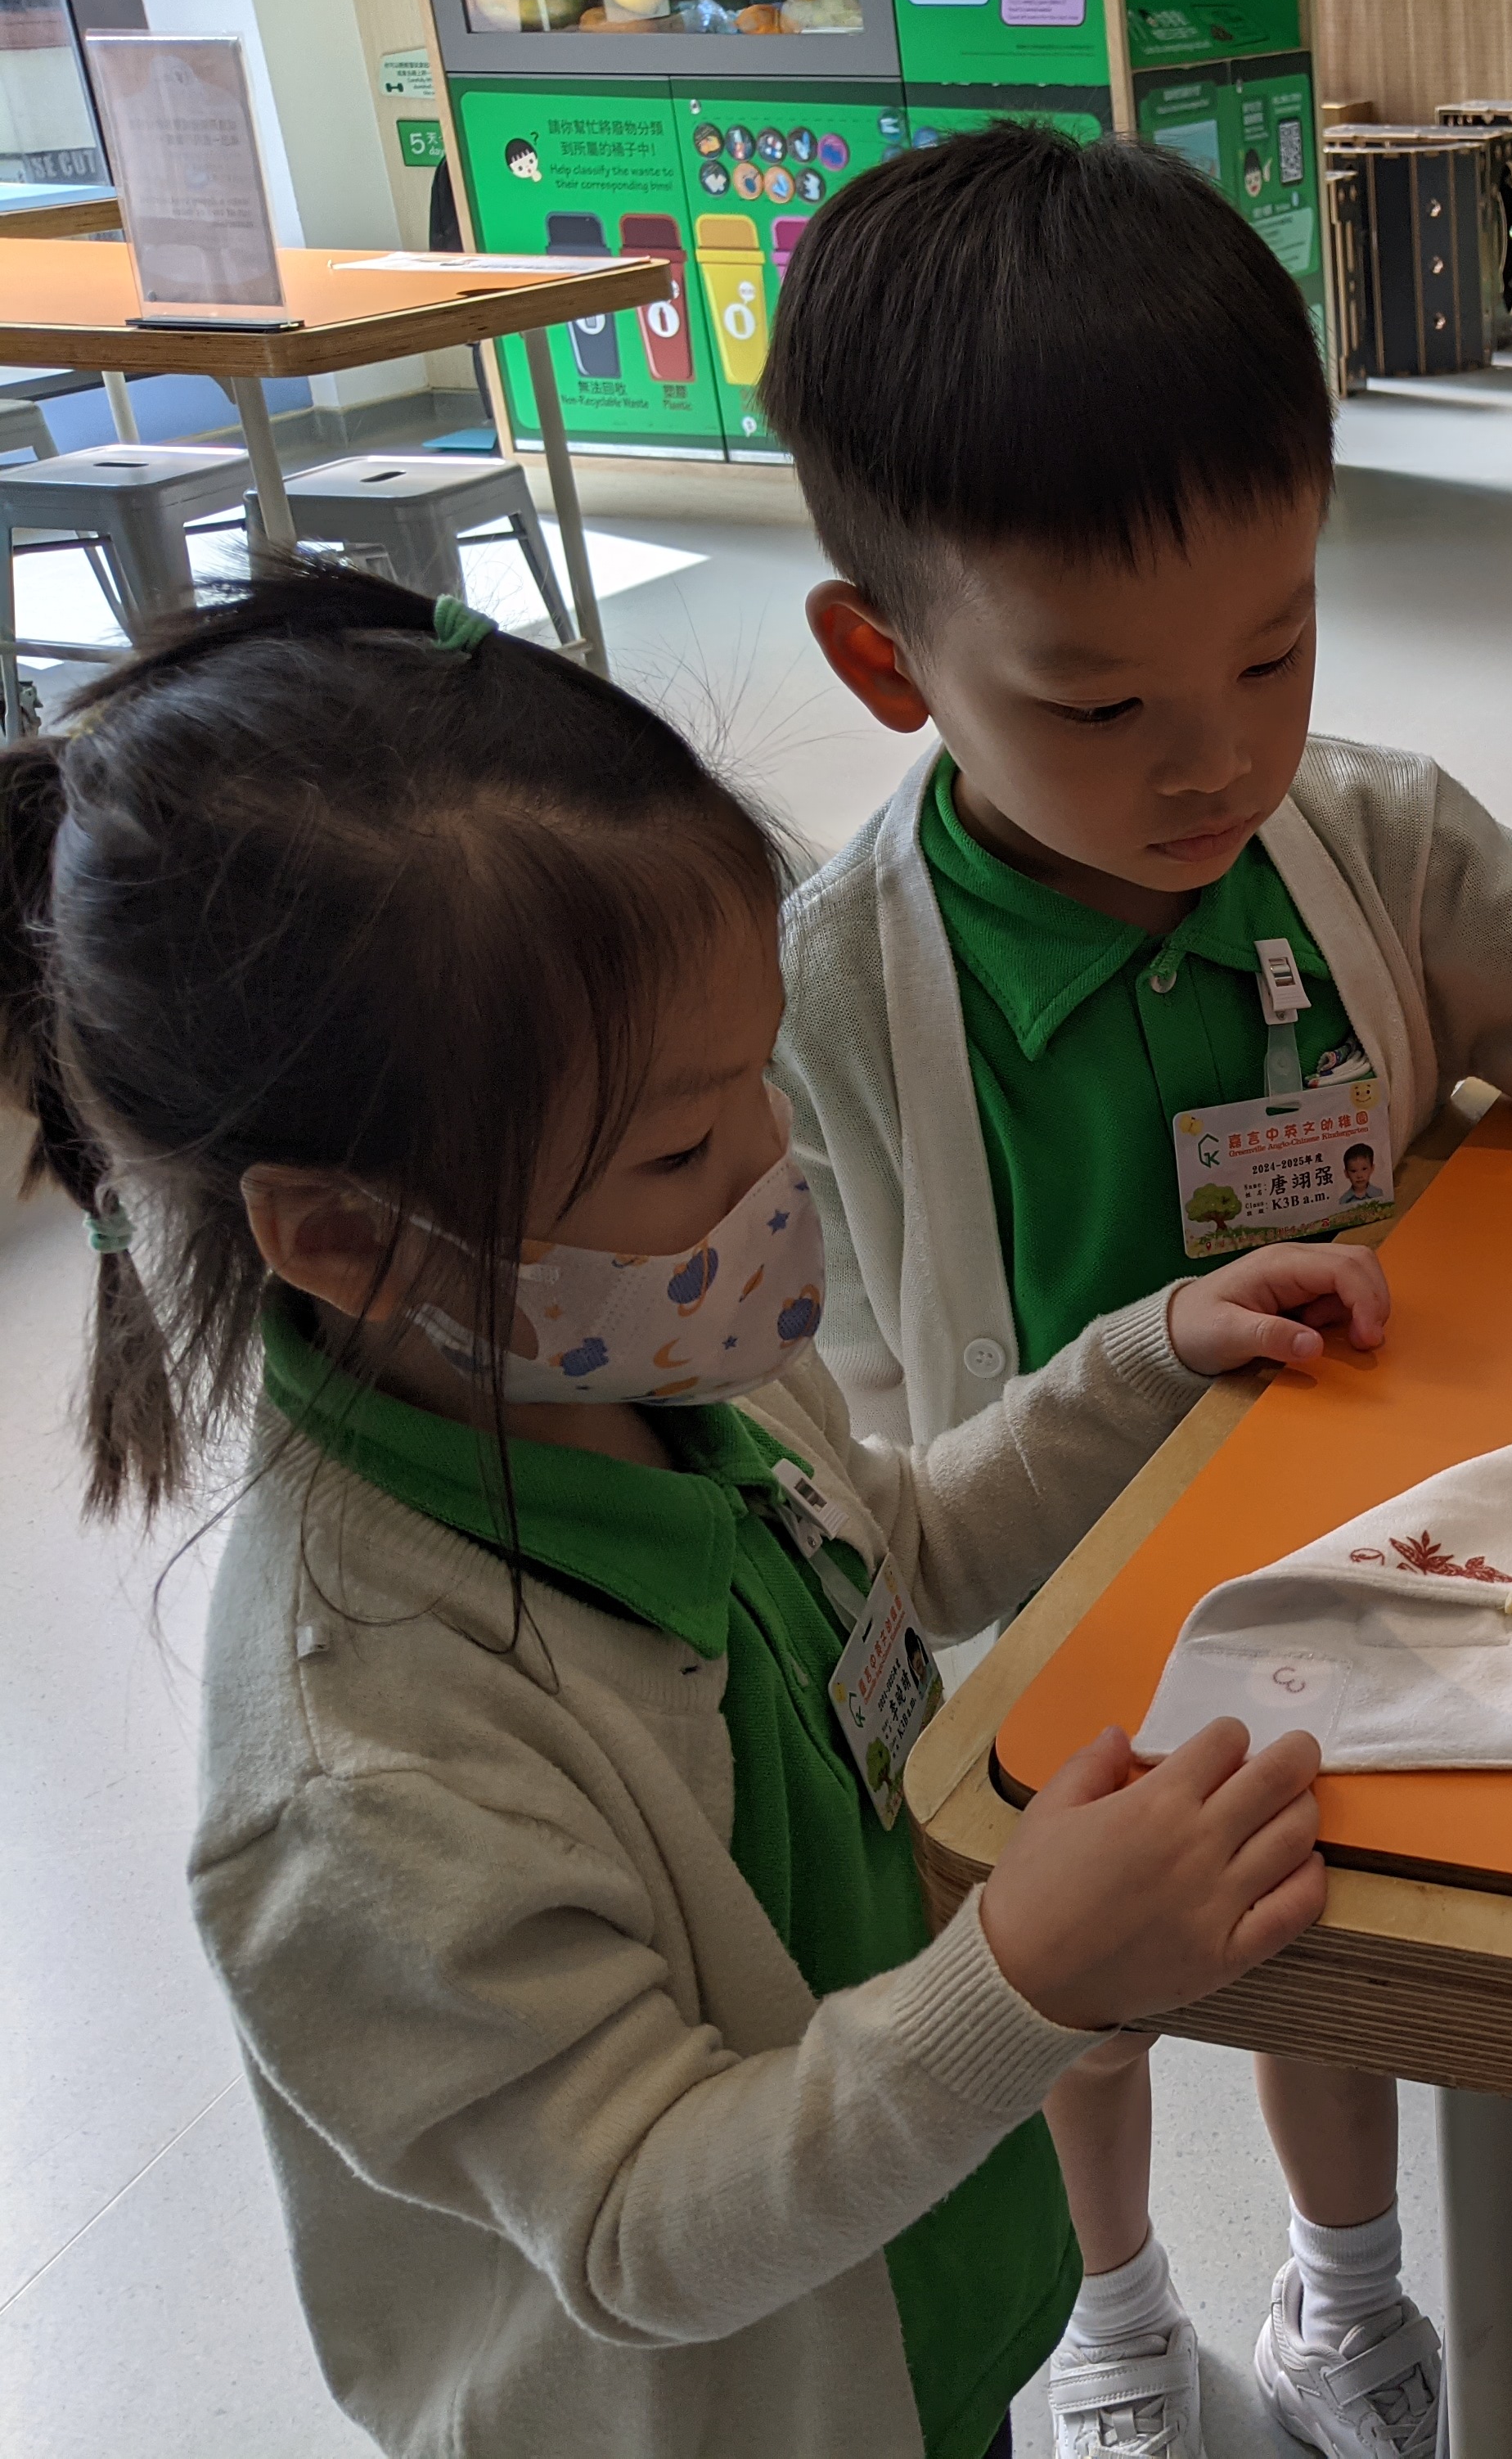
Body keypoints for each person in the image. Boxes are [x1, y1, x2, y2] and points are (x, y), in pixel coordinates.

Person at [0, 568, 1369, 2459]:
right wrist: (1024, 1979)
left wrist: (1144, 1355)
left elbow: (901, 1548)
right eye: (677, 1144)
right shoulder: (366, 1775)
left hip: (916, 2316)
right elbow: (639, 2222)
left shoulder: (653, 1360)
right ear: (346, 1239)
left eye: (755, 1085)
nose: (767, 1170)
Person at [758, 126, 1512, 2459]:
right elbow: (855, 1491)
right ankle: (1114, 2318)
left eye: (1276, 648)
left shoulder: (1373, 847)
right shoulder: (821, 1008)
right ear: (882, 659)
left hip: (1371, 1600)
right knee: (1069, 2011)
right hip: (1039, 1640)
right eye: (1096, 705)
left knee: (1318, 1966)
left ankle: (1347, 2297)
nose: (1219, 756)